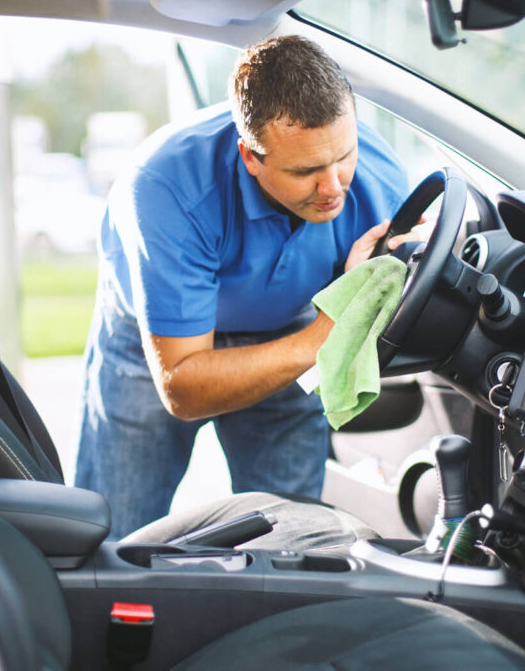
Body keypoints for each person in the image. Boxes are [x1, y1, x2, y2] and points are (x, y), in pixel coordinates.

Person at [75, 35, 413, 538]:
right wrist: (322, 338)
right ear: (250, 157)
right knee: (114, 538)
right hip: (158, 343)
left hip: (293, 322)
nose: (333, 187)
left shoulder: (380, 182)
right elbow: (183, 387)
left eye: (343, 155)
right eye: (305, 171)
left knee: (290, 540)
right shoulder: (166, 187)